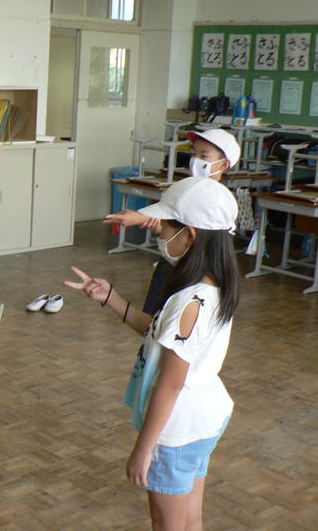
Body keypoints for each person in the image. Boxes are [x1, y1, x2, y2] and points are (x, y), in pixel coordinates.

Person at [65, 176, 239, 531]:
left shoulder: (189, 302)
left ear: (190, 235)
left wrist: (144, 448)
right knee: (190, 519)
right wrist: (110, 298)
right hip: (203, 418)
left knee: (167, 524)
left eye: (165, 230)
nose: (161, 237)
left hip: (175, 430)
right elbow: (159, 333)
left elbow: (170, 384)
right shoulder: (212, 287)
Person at [106, 128, 241, 314]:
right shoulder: (185, 189)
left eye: (204, 155)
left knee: (167, 317)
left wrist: (140, 218)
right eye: (194, 154)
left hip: (190, 272)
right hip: (169, 267)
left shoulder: (217, 202)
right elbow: (170, 230)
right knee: (154, 318)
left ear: (224, 164)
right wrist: (158, 229)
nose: (196, 160)